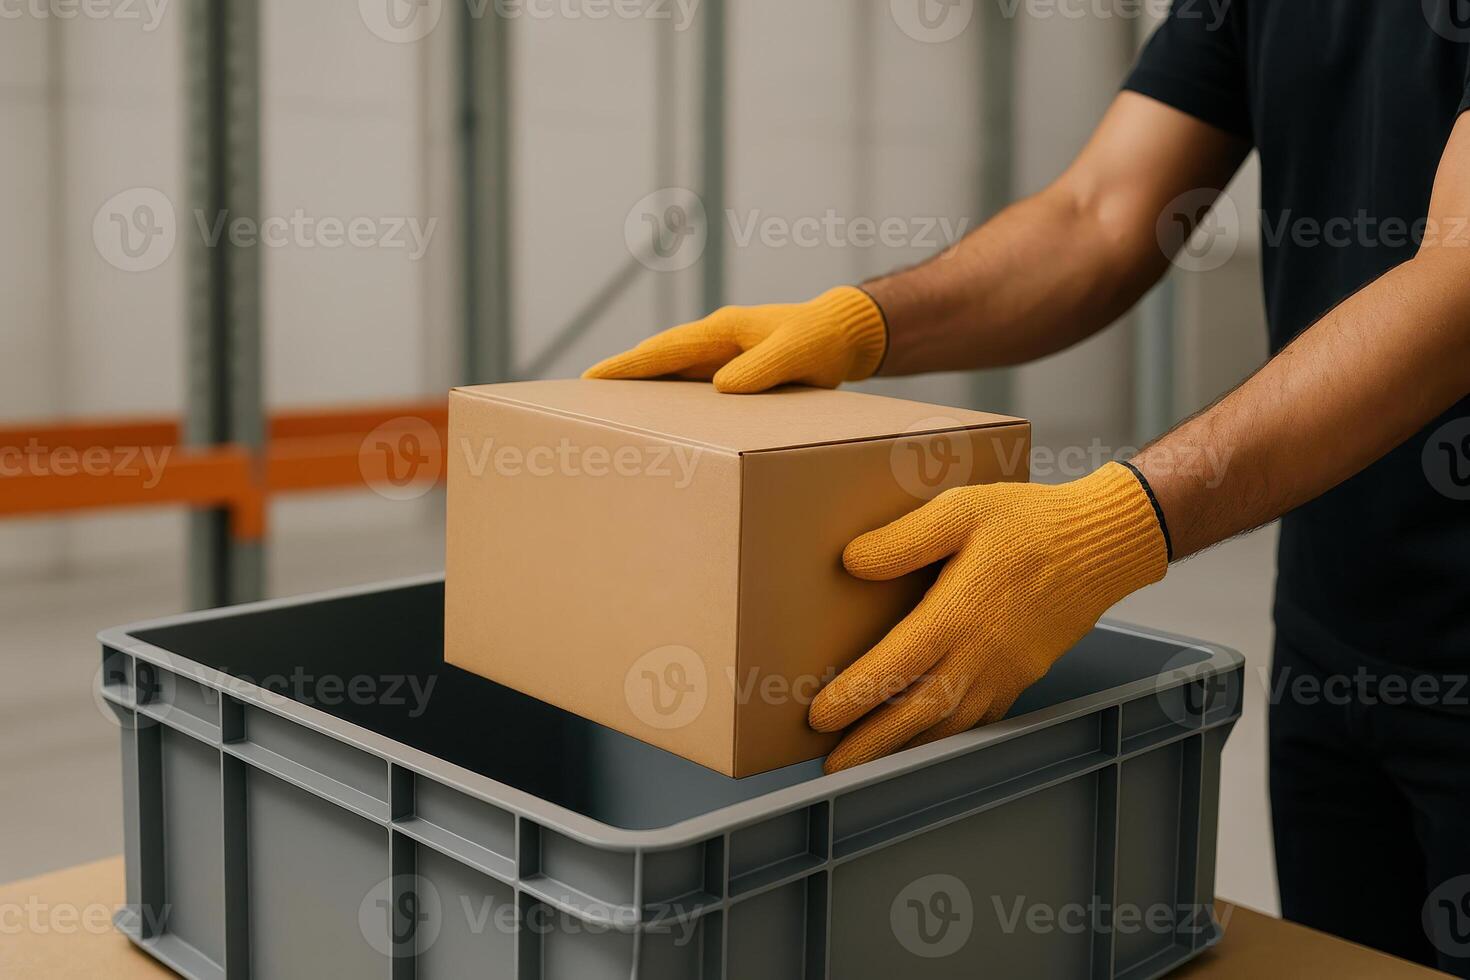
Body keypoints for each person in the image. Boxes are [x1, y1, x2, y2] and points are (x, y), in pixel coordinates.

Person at [585, 2, 1470, 972]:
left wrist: (1112, 523)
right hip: (1331, 630)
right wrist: (860, 322)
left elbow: (1458, 283)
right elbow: (1095, 216)